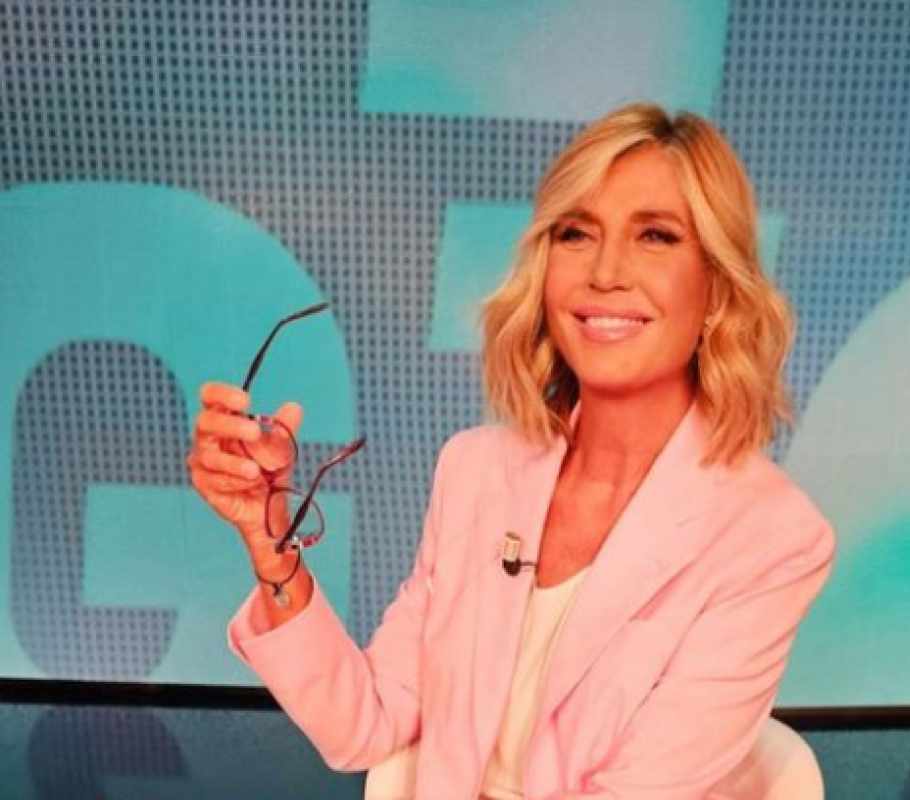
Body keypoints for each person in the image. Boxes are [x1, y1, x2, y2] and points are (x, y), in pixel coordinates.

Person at [187, 102, 836, 799]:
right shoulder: (476, 471)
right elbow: (366, 725)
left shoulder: (771, 538)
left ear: (716, 289)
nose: (605, 272)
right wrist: (271, 544)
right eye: (576, 233)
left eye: (655, 236)